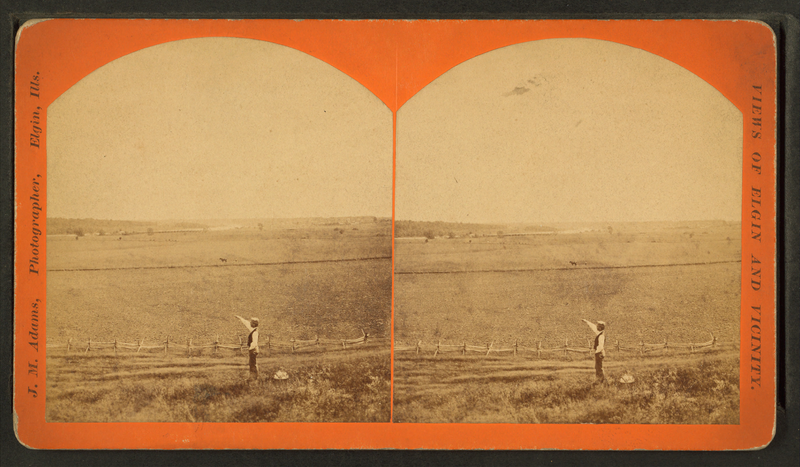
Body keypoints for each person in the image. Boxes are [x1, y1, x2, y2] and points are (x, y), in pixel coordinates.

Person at [582, 319, 606, 384]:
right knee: (597, 367)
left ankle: (601, 381)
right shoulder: (599, 333)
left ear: (601, 327)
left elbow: (600, 346)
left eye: (598, 326)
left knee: (599, 367)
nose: (597, 327)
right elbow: (593, 327)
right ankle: (600, 380)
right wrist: (587, 322)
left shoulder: (601, 336)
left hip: (599, 353)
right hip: (599, 353)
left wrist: (595, 352)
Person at [236, 315, 260, 380]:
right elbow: (246, 323)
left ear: (254, 324)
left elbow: (254, 343)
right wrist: (240, 318)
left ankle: (253, 377)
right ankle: (254, 377)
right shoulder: (253, 329)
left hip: (253, 350)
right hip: (253, 349)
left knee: (252, 364)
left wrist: (249, 349)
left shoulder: (255, 332)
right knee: (252, 363)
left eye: (251, 322)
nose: (250, 323)